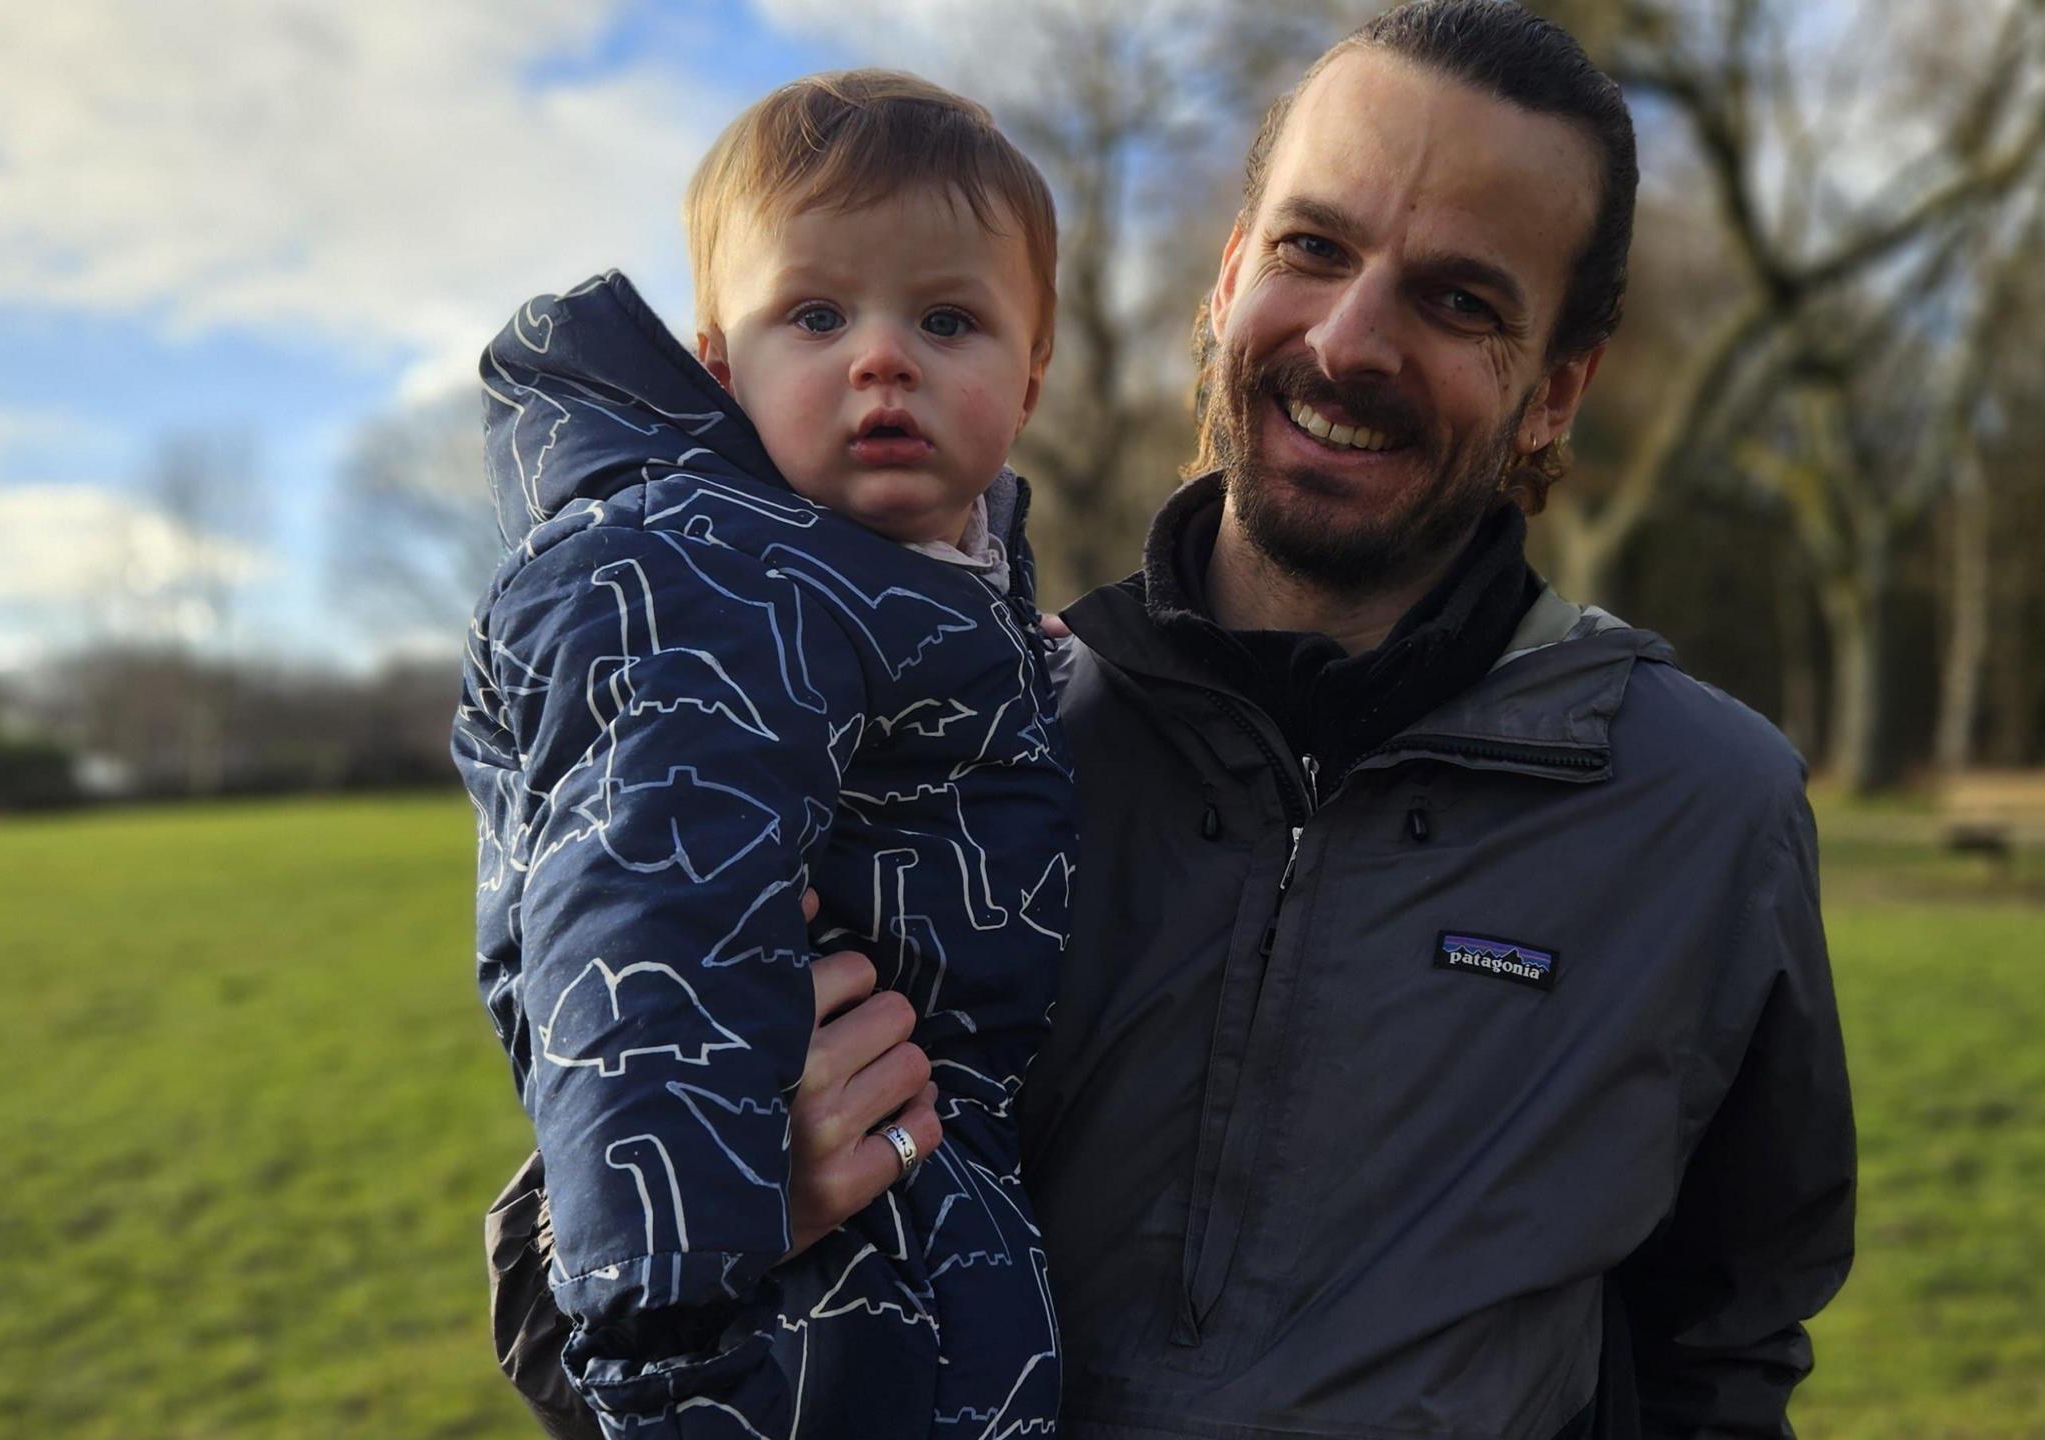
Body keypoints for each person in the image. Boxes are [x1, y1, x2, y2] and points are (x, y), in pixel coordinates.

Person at [1004, 3, 1858, 1436]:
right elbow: (598, 1276)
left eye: (1460, 301)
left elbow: (1727, 1346)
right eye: (1312, 248)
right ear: (1227, 278)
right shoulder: (976, 737)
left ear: (1555, 392)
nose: (1348, 344)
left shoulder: (1708, 817)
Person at [454, 70, 1075, 1438]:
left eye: (949, 317)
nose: (882, 356)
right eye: (816, 313)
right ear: (722, 363)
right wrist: (665, 1347)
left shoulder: (933, 594)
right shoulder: (704, 589)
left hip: (918, 1233)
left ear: (1030, 375)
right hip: (761, 1309)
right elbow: (641, 949)